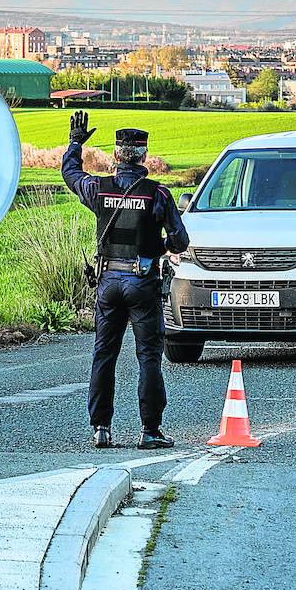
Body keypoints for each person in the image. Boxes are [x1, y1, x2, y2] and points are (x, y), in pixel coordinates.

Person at [62, 111, 190, 450]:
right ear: (144, 156)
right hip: (142, 280)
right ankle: (150, 431)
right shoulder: (158, 195)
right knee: (148, 355)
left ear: (117, 155)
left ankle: (101, 428)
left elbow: (70, 173)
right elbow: (180, 241)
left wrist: (75, 143)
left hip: (107, 281)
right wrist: (159, 247)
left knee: (104, 354)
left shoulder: (98, 189)